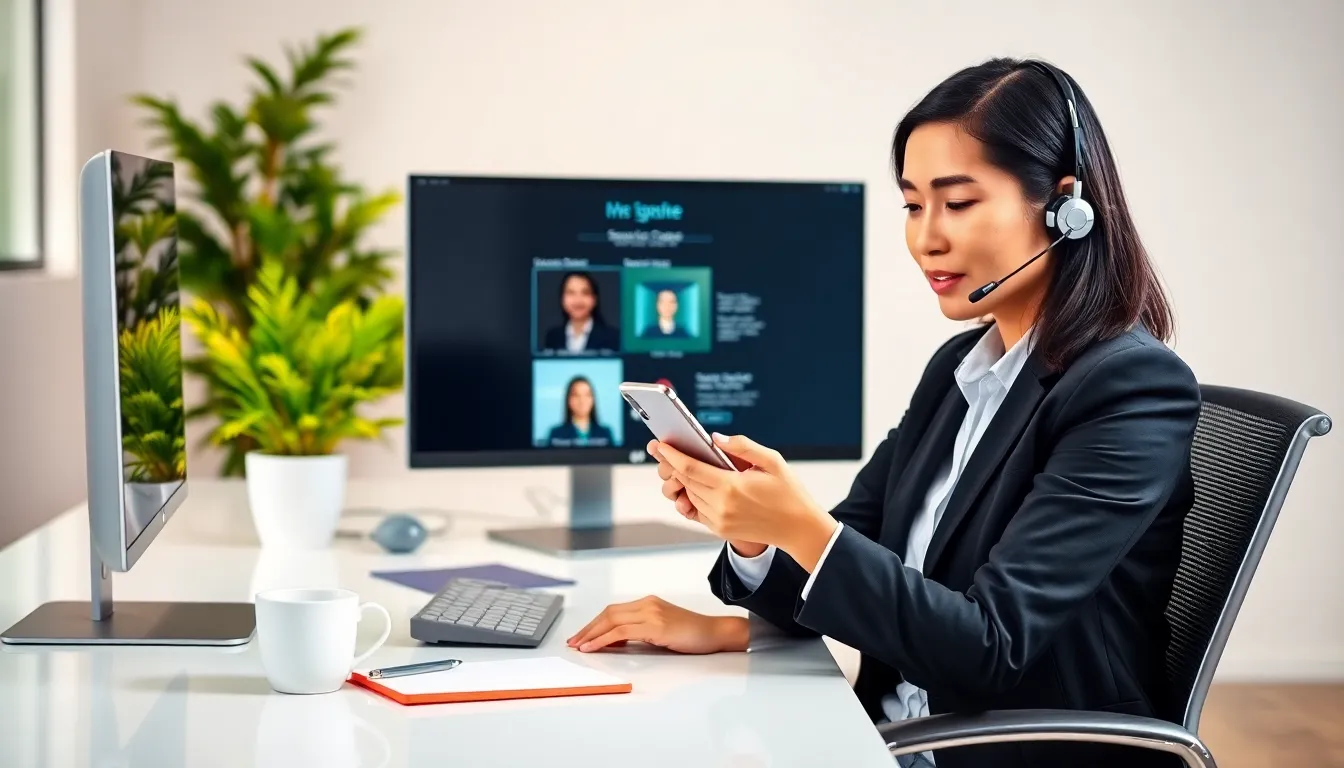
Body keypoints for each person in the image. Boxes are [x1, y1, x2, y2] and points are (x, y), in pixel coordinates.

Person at [568, 57, 1200, 768]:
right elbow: (849, 565)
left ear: (1064, 208)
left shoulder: (1131, 388)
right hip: (888, 740)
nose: (926, 238)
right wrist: (754, 536)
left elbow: (989, 648)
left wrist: (799, 527)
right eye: (912, 205)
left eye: (957, 203)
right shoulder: (958, 372)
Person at [542, 272, 620, 353]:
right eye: (571, 293)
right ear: (562, 299)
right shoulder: (553, 337)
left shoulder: (613, 337)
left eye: (585, 293)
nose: (578, 300)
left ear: (594, 299)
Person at [546, 375, 614, 447]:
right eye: (576, 395)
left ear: (593, 399)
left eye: (587, 395)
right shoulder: (556, 434)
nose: (582, 401)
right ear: (568, 400)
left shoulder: (605, 433)